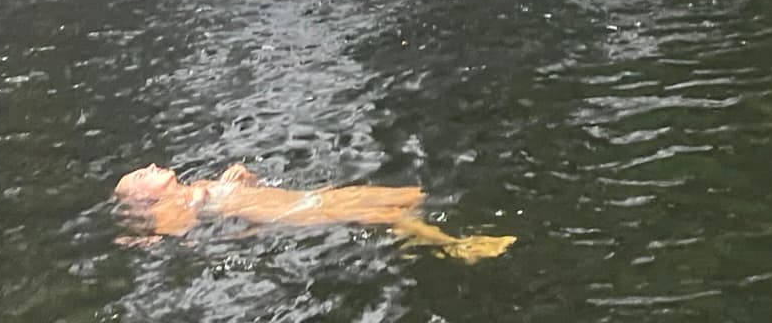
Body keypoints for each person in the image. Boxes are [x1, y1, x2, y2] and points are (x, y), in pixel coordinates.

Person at [112, 164, 515, 261]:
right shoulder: (173, 206)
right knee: (389, 215)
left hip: (305, 198)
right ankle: (457, 246)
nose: (151, 166)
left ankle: (422, 239)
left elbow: (252, 189)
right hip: (296, 212)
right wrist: (146, 237)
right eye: (142, 175)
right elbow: (179, 235)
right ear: (144, 198)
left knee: (408, 197)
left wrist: (240, 177)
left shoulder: (198, 184)